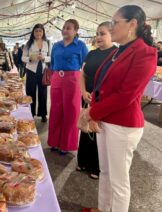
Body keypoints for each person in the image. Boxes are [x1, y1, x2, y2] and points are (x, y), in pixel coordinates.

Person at [82, 5, 157, 212]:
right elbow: (102, 86)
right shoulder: (117, 51)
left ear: (132, 24)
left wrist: (91, 113)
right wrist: (95, 111)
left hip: (123, 124)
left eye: (115, 22)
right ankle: (103, 208)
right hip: (106, 119)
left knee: (119, 182)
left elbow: (126, 95)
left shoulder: (145, 53)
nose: (112, 26)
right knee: (105, 172)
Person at [77, 22, 117, 179]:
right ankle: (83, 161)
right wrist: (83, 92)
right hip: (87, 97)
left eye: (103, 33)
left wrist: (97, 94)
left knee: (98, 132)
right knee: (85, 129)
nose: (99, 37)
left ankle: (96, 166)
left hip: (103, 99)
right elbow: (82, 74)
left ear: (111, 34)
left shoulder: (116, 54)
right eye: (97, 33)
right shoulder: (91, 54)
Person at [47, 19, 88, 154]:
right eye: (64, 27)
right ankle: (54, 141)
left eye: (69, 28)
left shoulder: (81, 46)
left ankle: (66, 144)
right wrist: (55, 76)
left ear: (75, 31)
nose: (65, 30)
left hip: (73, 79)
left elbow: (85, 65)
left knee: (71, 112)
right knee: (55, 110)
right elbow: (52, 63)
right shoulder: (56, 45)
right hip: (57, 78)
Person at [22, 24, 50, 122]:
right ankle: (31, 113)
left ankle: (43, 114)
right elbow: (23, 58)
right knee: (30, 92)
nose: (38, 33)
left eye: (40, 31)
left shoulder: (47, 43)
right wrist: (29, 58)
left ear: (43, 32)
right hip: (31, 70)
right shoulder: (28, 44)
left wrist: (44, 58)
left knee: (43, 93)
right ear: (33, 32)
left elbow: (50, 57)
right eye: (36, 31)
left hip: (42, 71)